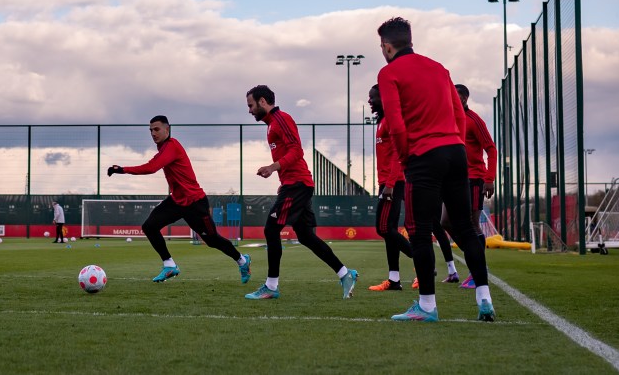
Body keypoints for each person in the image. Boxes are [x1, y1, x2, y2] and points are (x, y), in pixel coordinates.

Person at [376, 17, 495, 322]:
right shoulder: (439, 68)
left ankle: (427, 306)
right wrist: (454, 140)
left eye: (381, 46)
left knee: (418, 231)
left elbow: (396, 124)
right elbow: (458, 113)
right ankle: (484, 298)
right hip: (455, 153)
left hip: (422, 156)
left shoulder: (389, 73)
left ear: (387, 47)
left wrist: (405, 158)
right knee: (466, 228)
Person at [107, 115, 251, 284]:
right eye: (151, 130)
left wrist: (122, 170)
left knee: (213, 240)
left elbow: (151, 167)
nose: (153, 133)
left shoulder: (172, 146)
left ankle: (242, 260)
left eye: (157, 129)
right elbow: (153, 165)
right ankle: (169, 265)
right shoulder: (163, 150)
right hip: (177, 201)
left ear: (167, 129)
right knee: (149, 226)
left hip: (195, 203)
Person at [244, 86, 358, 300]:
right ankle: (346, 274)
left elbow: (297, 150)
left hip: (297, 185)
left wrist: (273, 167)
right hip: (294, 184)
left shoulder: (281, 119)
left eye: (251, 105)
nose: (249, 111)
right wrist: (281, 178)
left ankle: (271, 286)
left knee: (271, 228)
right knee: (305, 236)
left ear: (262, 101)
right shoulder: (271, 125)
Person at [366, 85, 413, 292]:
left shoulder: (391, 121)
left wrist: (390, 184)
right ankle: (394, 280)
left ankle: (422, 261)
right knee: (389, 230)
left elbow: (397, 154)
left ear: (383, 98)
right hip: (387, 182)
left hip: (392, 183)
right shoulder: (381, 121)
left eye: (372, 97)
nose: (369, 101)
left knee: (383, 228)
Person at [454, 83, 497, 289]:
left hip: (474, 177)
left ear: (463, 98)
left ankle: (478, 269)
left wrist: (490, 178)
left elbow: (491, 148)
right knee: (445, 220)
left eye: (455, 95)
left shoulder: (474, 120)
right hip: (454, 177)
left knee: (472, 223)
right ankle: (475, 260)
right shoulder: (449, 118)